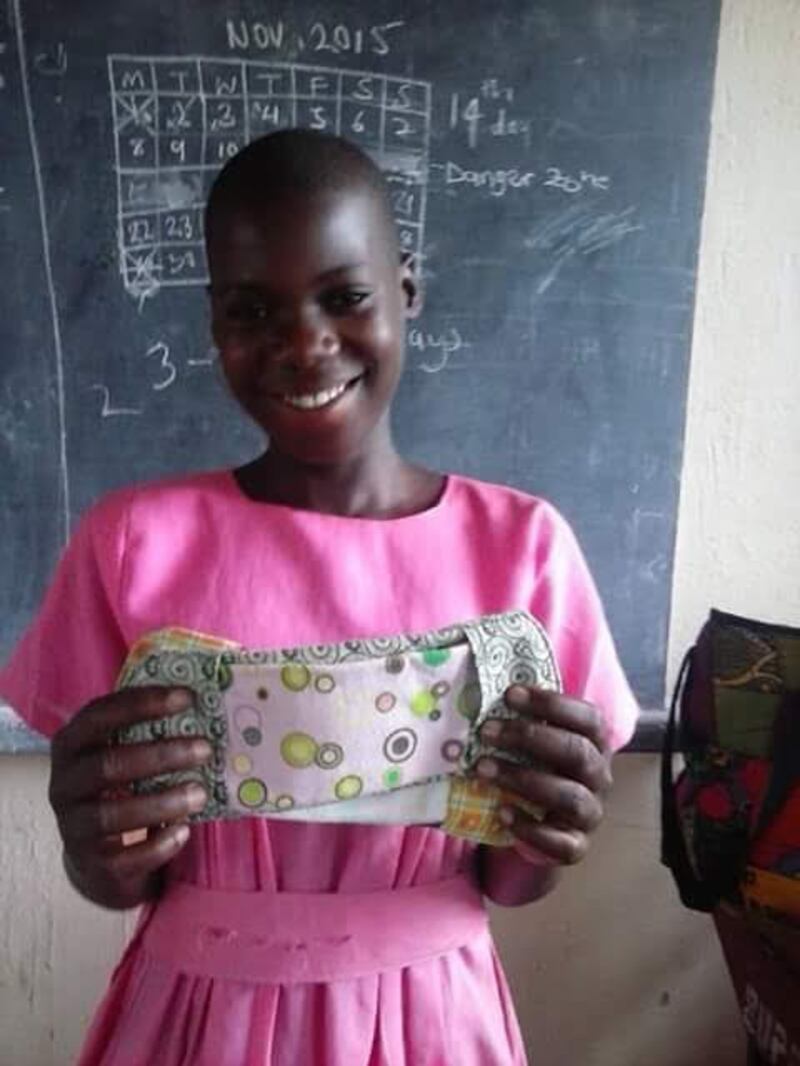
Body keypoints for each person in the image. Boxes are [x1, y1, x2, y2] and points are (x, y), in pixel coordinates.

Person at [0, 129, 638, 1065]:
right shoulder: (132, 541)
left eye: (345, 298)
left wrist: (554, 829)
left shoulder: (525, 549)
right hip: (195, 1021)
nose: (305, 346)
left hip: (430, 1020)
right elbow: (121, 877)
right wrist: (92, 847)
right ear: (213, 322)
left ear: (407, 289)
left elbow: (507, 881)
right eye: (253, 311)